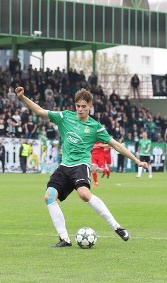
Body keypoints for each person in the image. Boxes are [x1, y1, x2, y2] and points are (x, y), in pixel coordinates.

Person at [15, 86, 149, 247]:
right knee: (49, 196)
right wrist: (22, 97)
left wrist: (137, 161)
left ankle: (117, 226)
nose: (80, 109)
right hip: (64, 166)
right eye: (78, 106)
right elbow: (39, 111)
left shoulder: (95, 127)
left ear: (90, 106)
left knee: (84, 194)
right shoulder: (65, 116)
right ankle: (64, 238)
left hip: (81, 165)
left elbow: (117, 145)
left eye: (83, 106)